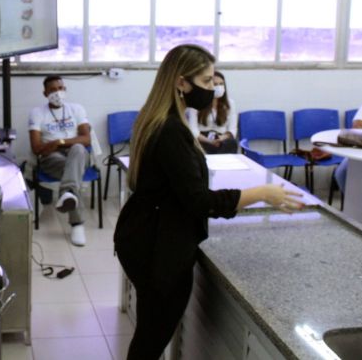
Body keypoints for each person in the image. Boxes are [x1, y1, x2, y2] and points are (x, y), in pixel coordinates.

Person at [113, 44, 303, 360]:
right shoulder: (170, 129)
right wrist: (261, 193)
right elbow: (198, 201)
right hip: (157, 248)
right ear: (181, 82)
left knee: (151, 331)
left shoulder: (163, 117)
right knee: (152, 337)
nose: (213, 88)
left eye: (214, 80)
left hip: (146, 235)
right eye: (206, 81)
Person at [29, 75, 91, 246]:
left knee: (78, 149)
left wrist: (58, 142)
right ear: (45, 93)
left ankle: (67, 194)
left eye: (60, 88)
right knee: (73, 170)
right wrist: (57, 146)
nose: (57, 93)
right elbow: (36, 147)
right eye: (52, 90)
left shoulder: (76, 109)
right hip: (52, 159)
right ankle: (76, 221)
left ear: (65, 89)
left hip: (76, 155)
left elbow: (86, 140)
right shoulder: (37, 113)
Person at [187, 70, 238, 154]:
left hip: (222, 138)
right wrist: (209, 141)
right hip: (203, 139)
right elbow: (193, 130)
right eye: (215, 84)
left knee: (231, 143)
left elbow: (232, 129)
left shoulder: (230, 103)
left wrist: (222, 138)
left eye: (221, 84)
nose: (219, 87)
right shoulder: (196, 103)